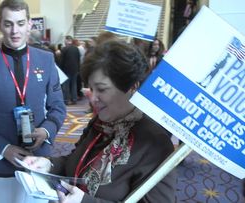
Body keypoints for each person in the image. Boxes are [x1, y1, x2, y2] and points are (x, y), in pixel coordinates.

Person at [23, 40, 176, 202]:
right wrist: (49, 164)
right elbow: (76, 161)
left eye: (101, 89)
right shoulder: (101, 122)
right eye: (91, 88)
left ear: (132, 87)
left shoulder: (154, 143)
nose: (92, 98)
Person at [0, 0, 66, 202]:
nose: (14, 31)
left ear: (29, 24)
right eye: (8, 23)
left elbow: (58, 107)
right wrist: (4, 149)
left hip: (39, 158)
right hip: (3, 160)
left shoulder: (46, 59)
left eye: (20, 23)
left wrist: (46, 130)